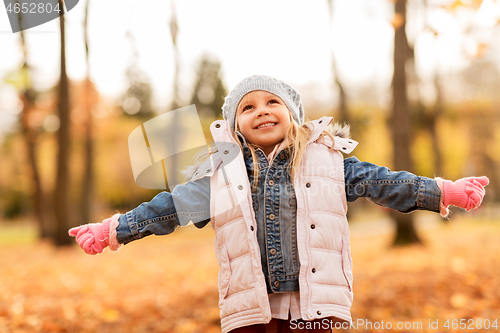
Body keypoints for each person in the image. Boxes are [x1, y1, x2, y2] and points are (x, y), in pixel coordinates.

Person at [69, 75, 489, 333]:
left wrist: (442, 191)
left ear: (294, 114)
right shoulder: (219, 173)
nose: (262, 111)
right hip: (249, 300)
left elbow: (384, 183)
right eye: (248, 107)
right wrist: (114, 230)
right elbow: (170, 208)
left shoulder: (328, 159)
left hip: (316, 299)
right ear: (234, 126)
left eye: (273, 102)